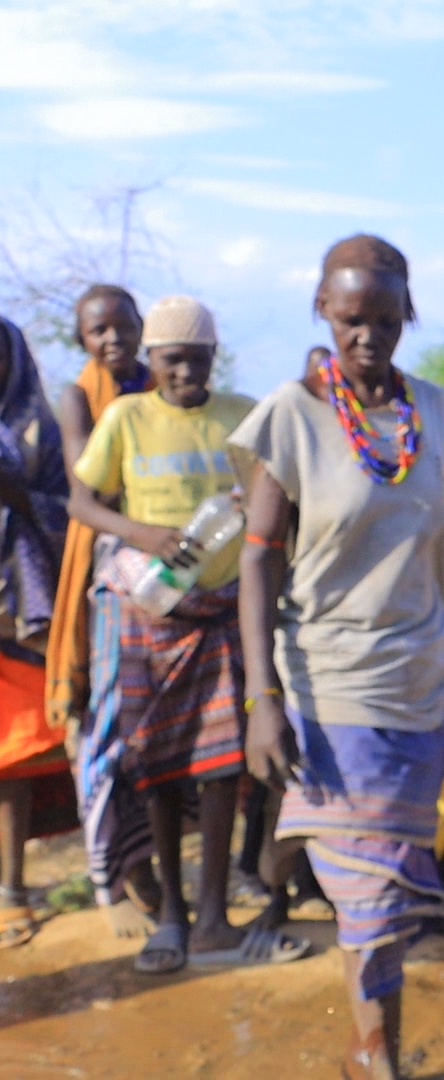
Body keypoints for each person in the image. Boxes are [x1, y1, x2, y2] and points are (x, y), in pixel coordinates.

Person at [236, 235, 444, 1079]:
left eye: (385, 318)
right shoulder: (291, 415)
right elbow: (258, 554)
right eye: (352, 318)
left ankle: (371, 1048)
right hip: (330, 684)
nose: (368, 336)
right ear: (324, 311)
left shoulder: (429, 410)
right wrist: (261, 697)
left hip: (420, 679)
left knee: (389, 892)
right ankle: (378, 1061)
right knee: (365, 897)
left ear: (408, 314)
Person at [68, 295, 304, 975]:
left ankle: (212, 918)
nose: (186, 374)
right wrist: (142, 534)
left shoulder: (242, 416)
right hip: (152, 610)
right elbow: (82, 500)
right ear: (152, 360)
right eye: (173, 362)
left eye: (198, 361)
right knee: (158, 768)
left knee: (224, 766)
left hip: (225, 607)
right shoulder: (127, 418)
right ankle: (170, 912)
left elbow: (276, 496)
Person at [46, 284, 163, 936]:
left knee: (162, 729)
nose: (113, 339)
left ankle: (156, 872)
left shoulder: (160, 384)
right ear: (83, 339)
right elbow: (89, 482)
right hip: (110, 569)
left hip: (172, 567)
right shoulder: (77, 399)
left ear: (141, 327)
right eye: (99, 331)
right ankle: (115, 879)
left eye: (122, 327)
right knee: (107, 724)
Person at [0, 316, 75, 949]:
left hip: (17, 614)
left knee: (14, 760)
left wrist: (17, 495)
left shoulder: (38, 430)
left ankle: (12, 890)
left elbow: (68, 517)